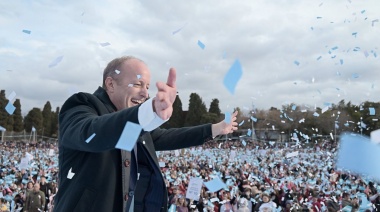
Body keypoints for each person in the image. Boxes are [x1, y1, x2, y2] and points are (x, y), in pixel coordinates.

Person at [53, 56, 238, 212]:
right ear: (110, 84)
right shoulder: (82, 105)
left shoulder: (132, 128)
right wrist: (148, 112)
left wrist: (215, 129)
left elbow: (165, 137)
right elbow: (92, 132)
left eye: (148, 87)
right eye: (137, 84)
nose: (145, 94)